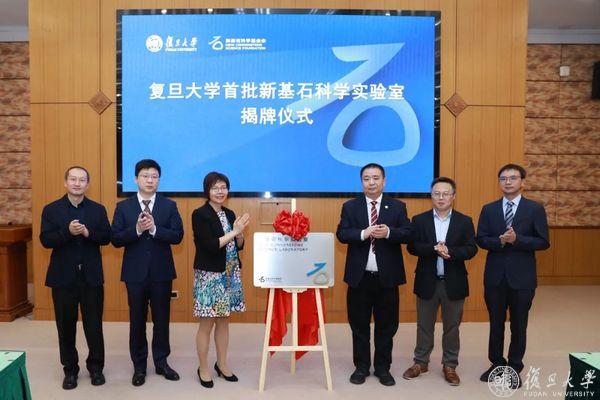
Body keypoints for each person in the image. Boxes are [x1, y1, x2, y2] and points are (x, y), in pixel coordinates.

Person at [336, 162, 412, 386]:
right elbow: (342, 234)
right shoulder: (350, 207)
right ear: (361, 182)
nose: (371, 182)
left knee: (386, 326)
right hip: (359, 278)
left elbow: (408, 233)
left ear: (384, 181)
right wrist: (363, 233)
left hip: (387, 278)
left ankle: (382, 368)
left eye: (376, 178)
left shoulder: (397, 206)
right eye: (367, 178)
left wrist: (388, 232)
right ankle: (361, 367)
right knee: (359, 326)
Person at [111, 159, 184, 387]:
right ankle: (139, 366)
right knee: (137, 321)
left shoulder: (169, 206)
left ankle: (162, 363)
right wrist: (136, 229)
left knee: (162, 320)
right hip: (134, 274)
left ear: (158, 180)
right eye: (145, 176)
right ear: (136, 179)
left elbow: (177, 236)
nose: (150, 180)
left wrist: (153, 229)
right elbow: (115, 239)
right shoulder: (123, 207)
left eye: (154, 176)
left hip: (161, 273)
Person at [477, 163, 550, 389]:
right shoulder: (489, 209)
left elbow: (543, 242)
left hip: (522, 278)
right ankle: (497, 363)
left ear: (522, 182)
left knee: (519, 325)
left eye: (513, 178)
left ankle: (514, 367)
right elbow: (481, 239)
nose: (507, 182)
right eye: (503, 178)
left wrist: (518, 240)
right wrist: (499, 241)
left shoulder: (534, 209)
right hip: (495, 277)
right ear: (499, 182)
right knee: (496, 324)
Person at [40, 166, 111, 390]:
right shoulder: (51, 210)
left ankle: (96, 367)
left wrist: (89, 233)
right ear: (65, 182)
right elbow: (45, 240)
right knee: (65, 326)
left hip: (91, 278)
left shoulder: (98, 210)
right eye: (73, 179)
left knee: (94, 326)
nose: (77, 183)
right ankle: (70, 370)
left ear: (87, 185)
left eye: (82, 180)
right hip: (63, 278)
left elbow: (107, 237)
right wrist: (67, 232)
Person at [402, 177, 477, 386]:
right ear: (431, 196)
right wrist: (433, 248)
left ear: (453, 196)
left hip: (454, 282)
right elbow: (412, 247)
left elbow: (472, 249)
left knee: (452, 327)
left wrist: (450, 251)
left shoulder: (464, 221)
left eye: (445, 193)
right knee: (424, 325)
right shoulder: (419, 220)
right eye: (437, 193)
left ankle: (450, 365)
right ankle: (421, 362)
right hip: (427, 281)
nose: (441, 197)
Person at [191, 172, 250, 388]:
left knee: (224, 322)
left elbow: (238, 245)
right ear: (207, 190)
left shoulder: (230, 213)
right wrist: (235, 232)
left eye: (223, 187)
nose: (220, 191)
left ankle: (222, 364)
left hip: (229, 274)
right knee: (206, 324)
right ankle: (203, 367)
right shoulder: (200, 214)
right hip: (210, 276)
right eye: (215, 188)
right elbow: (209, 245)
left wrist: (240, 234)